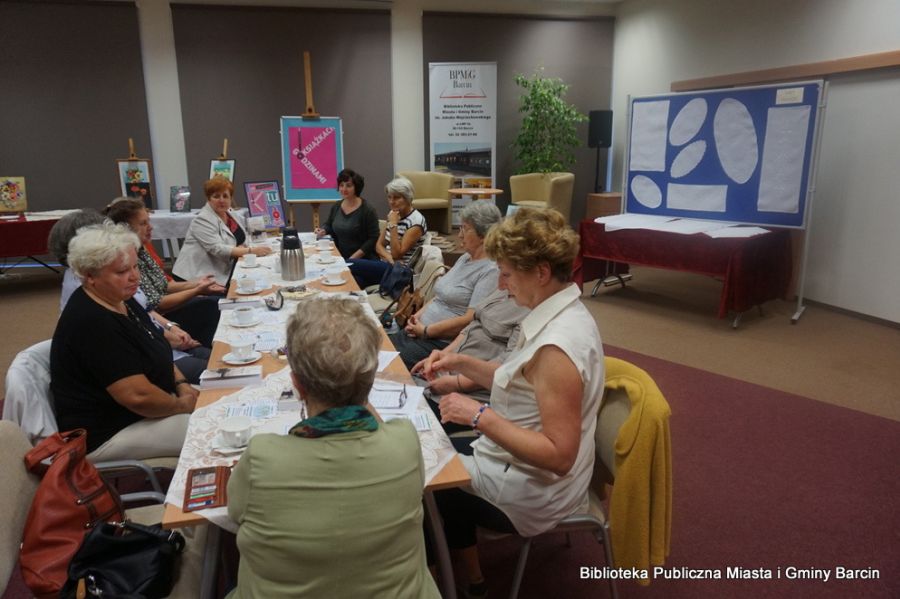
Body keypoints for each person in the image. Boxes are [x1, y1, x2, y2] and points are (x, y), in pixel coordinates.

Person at [424, 208, 604, 597]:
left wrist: (479, 415)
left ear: (540, 272)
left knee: (427, 481)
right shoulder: (556, 313)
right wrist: (460, 361)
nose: (501, 285)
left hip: (534, 490)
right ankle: (469, 579)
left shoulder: (559, 346)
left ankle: (449, 582)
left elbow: (559, 455)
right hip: (517, 466)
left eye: (506, 273)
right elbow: (517, 381)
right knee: (434, 456)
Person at [226, 298, 439, 599]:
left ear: (297, 385)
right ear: (369, 379)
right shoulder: (403, 440)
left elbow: (234, 514)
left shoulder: (263, 457)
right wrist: (354, 388)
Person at [50, 222, 197, 460]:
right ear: (89, 277)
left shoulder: (120, 299)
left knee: (224, 399)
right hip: (109, 431)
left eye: (135, 266)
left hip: (149, 407)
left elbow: (156, 346)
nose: (134, 277)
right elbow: (138, 397)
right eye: (121, 272)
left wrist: (181, 384)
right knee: (215, 429)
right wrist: (182, 405)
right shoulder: (91, 322)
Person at [49, 209, 211, 384]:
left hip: (160, 348)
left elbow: (143, 310)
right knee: (217, 368)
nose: (135, 276)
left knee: (218, 358)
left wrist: (171, 328)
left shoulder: (118, 273)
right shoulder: (92, 291)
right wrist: (170, 339)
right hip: (150, 360)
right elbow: (135, 387)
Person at [389, 201, 502, 370]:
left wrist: (427, 330)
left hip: (438, 342)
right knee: (376, 347)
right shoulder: (465, 258)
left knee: (383, 362)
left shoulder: (490, 270)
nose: (460, 234)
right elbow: (439, 296)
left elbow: (470, 319)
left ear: (484, 235)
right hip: (419, 332)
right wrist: (416, 319)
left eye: (465, 228)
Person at [106, 198, 222, 346]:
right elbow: (158, 304)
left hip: (163, 312)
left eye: (148, 221)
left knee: (216, 300)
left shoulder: (142, 248)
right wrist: (197, 290)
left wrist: (198, 284)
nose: (150, 227)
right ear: (126, 228)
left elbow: (165, 285)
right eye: (143, 223)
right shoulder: (128, 258)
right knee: (213, 306)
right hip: (160, 317)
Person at [173, 176, 272, 286]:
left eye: (225, 196)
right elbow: (217, 249)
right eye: (216, 196)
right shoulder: (202, 219)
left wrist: (240, 248)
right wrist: (250, 251)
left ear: (231, 198)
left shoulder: (231, 214)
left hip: (220, 271)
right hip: (195, 278)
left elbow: (242, 237)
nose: (221, 200)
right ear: (208, 198)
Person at [348, 177, 426, 288]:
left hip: (401, 272)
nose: (391, 202)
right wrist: (389, 259)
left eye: (396, 197)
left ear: (408, 198)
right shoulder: (394, 214)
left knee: (348, 264)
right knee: (354, 281)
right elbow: (379, 246)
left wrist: (393, 224)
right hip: (387, 264)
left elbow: (397, 253)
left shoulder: (416, 222)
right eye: (389, 197)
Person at [314, 168, 380, 260]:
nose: (344, 189)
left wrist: (353, 258)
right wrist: (323, 230)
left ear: (356, 187)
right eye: (341, 185)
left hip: (363, 259)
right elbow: (329, 224)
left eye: (348, 186)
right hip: (340, 256)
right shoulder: (337, 206)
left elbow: (373, 239)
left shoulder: (368, 210)